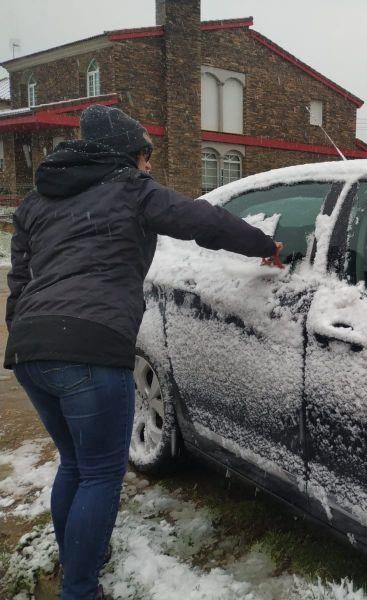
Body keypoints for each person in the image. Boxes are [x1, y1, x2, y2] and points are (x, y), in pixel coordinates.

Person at [4, 104, 284, 600]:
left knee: (74, 463)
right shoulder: (130, 189)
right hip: (91, 347)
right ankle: (81, 589)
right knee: (99, 474)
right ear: (127, 156)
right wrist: (263, 243)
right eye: (145, 157)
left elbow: (19, 280)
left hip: (31, 349)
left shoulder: (34, 204)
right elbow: (203, 220)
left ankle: (77, 560)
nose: (149, 166)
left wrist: (23, 338)